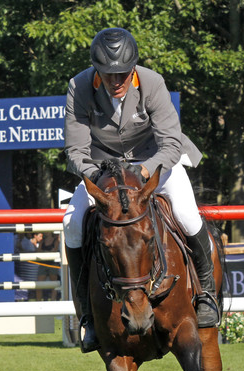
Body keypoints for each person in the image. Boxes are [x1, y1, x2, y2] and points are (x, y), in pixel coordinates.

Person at [62, 27, 215, 352]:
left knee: (187, 216)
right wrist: (99, 176)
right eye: (108, 74)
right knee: (72, 225)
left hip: (153, 163)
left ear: (132, 67)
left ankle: (206, 296)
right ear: (96, 70)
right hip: (103, 170)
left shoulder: (151, 82)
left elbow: (171, 142)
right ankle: (87, 316)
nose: (116, 81)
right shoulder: (78, 86)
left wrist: (144, 171)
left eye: (122, 73)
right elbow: (75, 151)